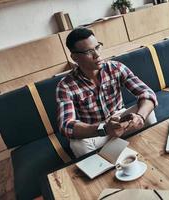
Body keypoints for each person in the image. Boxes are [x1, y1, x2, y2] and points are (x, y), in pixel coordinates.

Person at [56, 27, 158, 158]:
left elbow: (147, 93)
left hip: (121, 119)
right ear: (75, 57)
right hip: (95, 130)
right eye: (89, 52)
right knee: (77, 145)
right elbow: (66, 125)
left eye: (97, 47)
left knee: (147, 112)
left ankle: (151, 152)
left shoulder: (115, 67)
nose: (97, 55)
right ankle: (100, 170)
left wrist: (140, 117)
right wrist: (103, 129)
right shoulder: (65, 86)